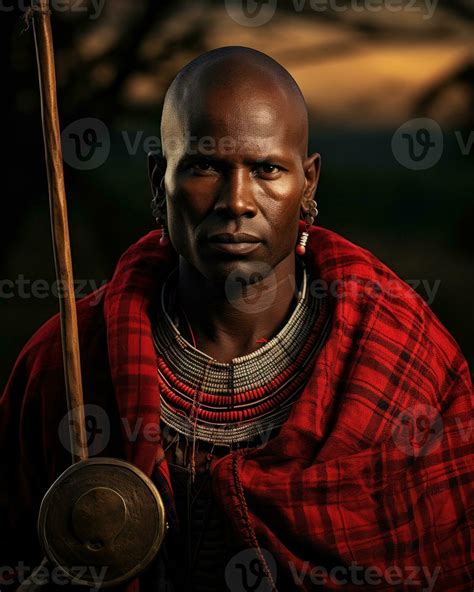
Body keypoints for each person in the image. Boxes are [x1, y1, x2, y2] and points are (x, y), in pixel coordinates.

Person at [1, 46, 472, 592]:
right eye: (204, 166)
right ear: (160, 182)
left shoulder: (403, 359)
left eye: (268, 168)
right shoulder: (70, 359)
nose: (238, 201)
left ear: (309, 184)